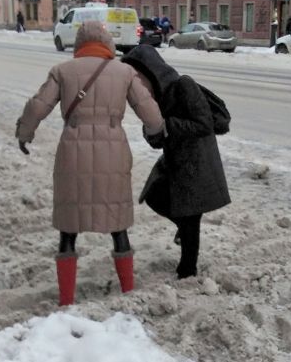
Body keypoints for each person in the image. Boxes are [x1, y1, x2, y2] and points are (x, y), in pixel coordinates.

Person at [15, 21, 165, 305]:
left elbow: (38, 106)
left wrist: (25, 132)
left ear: (79, 44)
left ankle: (66, 299)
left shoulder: (62, 71)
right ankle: (128, 290)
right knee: (118, 225)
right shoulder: (124, 72)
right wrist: (158, 129)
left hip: (73, 152)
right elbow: (150, 113)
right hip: (113, 152)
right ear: (108, 43)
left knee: (69, 227)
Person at [122, 44, 231, 279]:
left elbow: (204, 125)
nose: (136, 85)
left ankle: (187, 272)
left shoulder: (184, 85)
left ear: (150, 71)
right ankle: (184, 234)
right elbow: (158, 139)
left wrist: (167, 125)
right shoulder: (154, 98)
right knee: (154, 195)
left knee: (191, 217)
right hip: (175, 162)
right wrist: (153, 132)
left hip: (197, 162)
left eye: (138, 78)